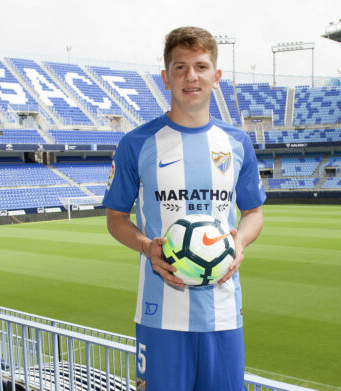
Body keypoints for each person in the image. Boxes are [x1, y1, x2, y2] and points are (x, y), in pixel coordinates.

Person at [102, 26, 265, 391]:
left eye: (201, 67)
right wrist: (147, 246)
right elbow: (115, 219)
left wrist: (240, 244)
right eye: (180, 67)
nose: (191, 77)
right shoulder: (137, 143)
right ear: (166, 77)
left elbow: (253, 213)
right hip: (160, 315)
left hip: (223, 312)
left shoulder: (237, 142)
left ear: (216, 76)